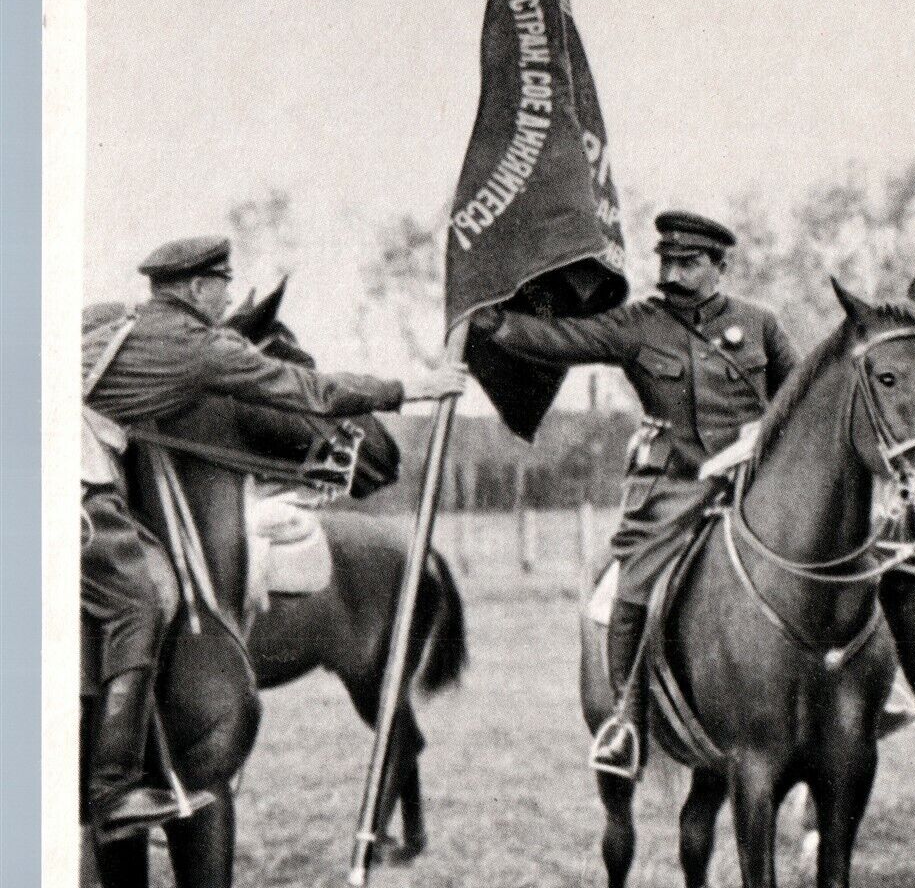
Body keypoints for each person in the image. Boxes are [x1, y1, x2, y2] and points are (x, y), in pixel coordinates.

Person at [82, 236, 466, 842]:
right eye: (223, 285)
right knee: (141, 599)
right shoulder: (196, 347)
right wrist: (410, 389)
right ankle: (112, 784)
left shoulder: (113, 321)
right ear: (197, 289)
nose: (227, 297)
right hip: (77, 478)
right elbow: (304, 390)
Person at [475, 210, 800, 777]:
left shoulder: (760, 324)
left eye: (688, 263)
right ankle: (625, 717)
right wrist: (495, 325)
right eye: (667, 262)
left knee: (837, 550)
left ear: (720, 267)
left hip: (758, 480)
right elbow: (563, 339)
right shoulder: (640, 325)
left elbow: (797, 395)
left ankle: (870, 687)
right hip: (678, 486)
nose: (672, 274)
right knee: (633, 586)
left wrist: (767, 435)